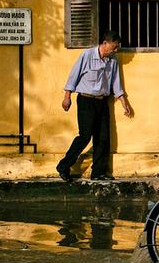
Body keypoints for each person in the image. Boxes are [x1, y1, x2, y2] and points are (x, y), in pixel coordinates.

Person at [57, 31, 133, 181]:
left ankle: (98, 173)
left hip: (103, 102)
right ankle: (64, 166)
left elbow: (116, 85)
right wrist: (67, 97)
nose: (115, 50)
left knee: (103, 137)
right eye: (114, 47)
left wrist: (125, 104)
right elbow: (74, 76)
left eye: (117, 48)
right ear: (105, 43)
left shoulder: (113, 60)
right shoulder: (87, 55)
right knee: (85, 136)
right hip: (86, 101)